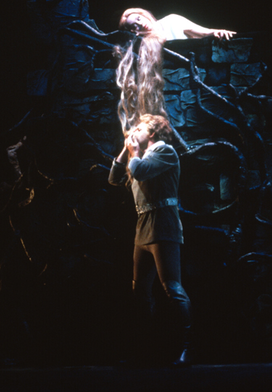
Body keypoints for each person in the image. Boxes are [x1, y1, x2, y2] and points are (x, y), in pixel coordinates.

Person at [108, 114, 192, 366]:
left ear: (153, 133)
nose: (134, 130)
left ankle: (186, 349)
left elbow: (141, 173)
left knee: (172, 288)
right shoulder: (138, 157)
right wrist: (126, 151)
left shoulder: (163, 151)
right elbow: (113, 178)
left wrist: (133, 152)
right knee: (140, 291)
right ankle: (143, 351)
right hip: (143, 226)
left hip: (163, 224)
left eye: (140, 128)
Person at [119, 7, 236, 41]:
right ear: (134, 32)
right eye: (135, 25)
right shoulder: (144, 45)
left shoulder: (171, 21)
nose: (140, 24)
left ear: (144, 15)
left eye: (139, 18)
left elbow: (203, 32)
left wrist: (218, 31)